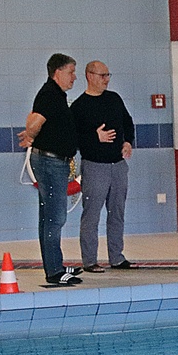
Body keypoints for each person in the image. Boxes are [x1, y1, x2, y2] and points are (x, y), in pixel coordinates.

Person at [18, 53, 82, 286]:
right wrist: (31, 135)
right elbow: (34, 121)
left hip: (53, 162)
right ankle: (54, 271)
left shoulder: (55, 95)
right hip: (50, 163)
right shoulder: (50, 94)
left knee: (49, 217)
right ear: (58, 72)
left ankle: (55, 264)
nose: (74, 77)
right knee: (55, 218)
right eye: (71, 72)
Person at [71, 60, 136, 273]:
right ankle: (89, 260)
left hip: (118, 165)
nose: (106, 79)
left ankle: (116, 257)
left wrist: (128, 142)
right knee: (92, 215)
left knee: (117, 212)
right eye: (102, 75)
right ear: (89, 76)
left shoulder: (114, 99)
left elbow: (128, 123)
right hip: (94, 166)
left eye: (108, 75)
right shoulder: (79, 106)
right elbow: (73, 138)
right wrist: (94, 136)